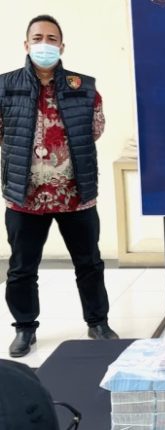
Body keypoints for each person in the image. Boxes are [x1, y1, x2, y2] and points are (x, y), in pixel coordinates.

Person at [0, 15, 118, 358]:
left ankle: (98, 322)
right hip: (25, 197)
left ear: (62, 46)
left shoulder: (84, 87)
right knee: (22, 269)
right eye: (38, 38)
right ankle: (25, 328)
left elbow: (95, 129)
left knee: (89, 263)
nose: (45, 44)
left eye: (52, 39)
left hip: (75, 195)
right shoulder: (5, 86)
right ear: (26, 44)